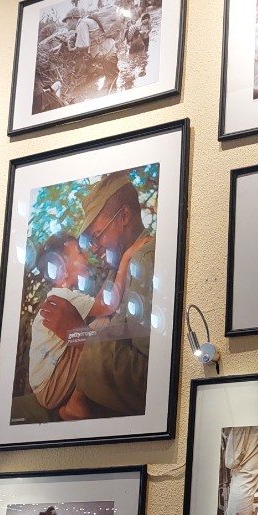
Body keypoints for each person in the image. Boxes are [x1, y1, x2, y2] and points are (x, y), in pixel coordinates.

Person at [27, 174, 154, 422]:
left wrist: (78, 333)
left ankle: (77, 402)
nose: (93, 249)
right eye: (87, 244)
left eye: (97, 235)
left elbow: (149, 378)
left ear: (124, 216)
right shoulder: (119, 267)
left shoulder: (143, 260)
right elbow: (106, 306)